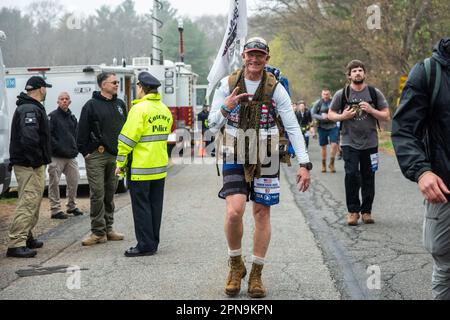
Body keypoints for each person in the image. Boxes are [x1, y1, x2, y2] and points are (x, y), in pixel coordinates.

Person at [208, 37, 312, 298]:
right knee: (235, 211)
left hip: (267, 151)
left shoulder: (275, 87)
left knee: (262, 213)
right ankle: (235, 264)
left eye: (260, 55)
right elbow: (211, 124)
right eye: (250, 55)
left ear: (267, 58)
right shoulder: (228, 84)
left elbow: (291, 125)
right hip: (235, 148)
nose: (254, 60)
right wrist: (226, 107)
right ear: (243, 56)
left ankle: (256, 273)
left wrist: (304, 162)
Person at [392, 38, 450, 299]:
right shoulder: (430, 71)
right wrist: (421, 171)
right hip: (445, 187)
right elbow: (404, 130)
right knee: (446, 264)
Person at [115, 72, 173, 257]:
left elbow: (127, 140)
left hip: (141, 168)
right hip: (159, 167)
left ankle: (144, 245)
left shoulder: (139, 110)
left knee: (141, 207)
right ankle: (153, 242)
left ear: (141, 88)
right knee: (155, 207)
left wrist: (121, 162)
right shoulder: (164, 109)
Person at [328, 60, 390, 226]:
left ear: (365, 74)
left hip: (370, 142)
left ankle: (367, 211)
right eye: (354, 71)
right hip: (349, 141)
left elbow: (386, 115)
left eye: (360, 70)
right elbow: (330, 114)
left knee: (369, 176)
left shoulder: (374, 93)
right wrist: (343, 117)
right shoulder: (342, 94)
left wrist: (371, 110)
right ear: (349, 75)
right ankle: (353, 212)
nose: (357, 73)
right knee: (352, 175)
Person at [77, 72, 127, 246]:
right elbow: (81, 130)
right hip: (97, 155)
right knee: (97, 193)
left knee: (110, 192)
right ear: (103, 85)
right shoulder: (90, 105)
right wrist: (85, 152)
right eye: (113, 82)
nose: (116, 85)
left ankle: (109, 228)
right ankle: (97, 232)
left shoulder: (120, 104)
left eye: (117, 82)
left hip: (115, 155)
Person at [6, 76, 52, 258]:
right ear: (40, 89)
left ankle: (26, 236)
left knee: (34, 200)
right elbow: (29, 138)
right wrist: (35, 161)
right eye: (45, 88)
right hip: (28, 165)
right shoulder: (29, 109)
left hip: (33, 164)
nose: (46, 91)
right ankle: (16, 243)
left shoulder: (30, 107)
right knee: (28, 201)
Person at [48, 92, 84, 220]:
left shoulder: (72, 118)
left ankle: (71, 206)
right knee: (54, 183)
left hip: (70, 156)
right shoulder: (52, 117)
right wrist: (58, 148)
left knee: (74, 180)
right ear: (58, 102)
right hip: (56, 156)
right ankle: (55, 209)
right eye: (61, 99)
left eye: (66, 99)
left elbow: (77, 135)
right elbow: (49, 137)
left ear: (70, 102)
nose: (64, 101)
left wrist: (76, 148)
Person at [311, 89, 339, 173]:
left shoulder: (334, 102)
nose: (326, 96)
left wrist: (333, 116)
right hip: (322, 127)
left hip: (333, 126)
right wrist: (322, 117)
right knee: (323, 147)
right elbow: (313, 113)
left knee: (334, 145)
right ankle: (323, 164)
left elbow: (339, 111)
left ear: (330, 94)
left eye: (327, 94)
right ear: (322, 95)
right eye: (324, 94)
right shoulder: (318, 103)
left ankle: (331, 163)